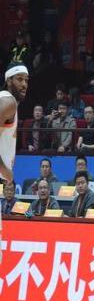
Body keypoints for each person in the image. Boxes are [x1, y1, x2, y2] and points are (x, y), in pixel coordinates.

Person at [0, 62, 28, 262]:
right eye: (19, 79)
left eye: (26, 80)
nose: (24, 84)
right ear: (8, 81)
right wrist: (4, 170)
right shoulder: (8, 102)